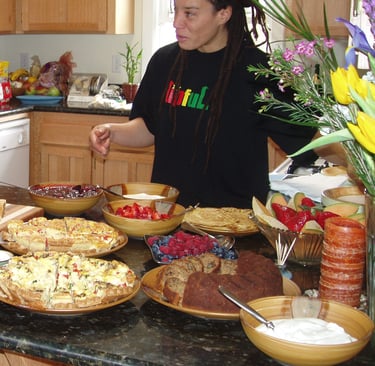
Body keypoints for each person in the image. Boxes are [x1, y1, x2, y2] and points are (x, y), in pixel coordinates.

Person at [90, 0, 327, 208]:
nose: (176, 22)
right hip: (170, 217)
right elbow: (149, 128)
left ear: (223, 13)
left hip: (234, 225)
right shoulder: (164, 62)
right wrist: (112, 132)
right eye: (176, 11)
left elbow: (310, 141)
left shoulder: (259, 71)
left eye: (190, 13)